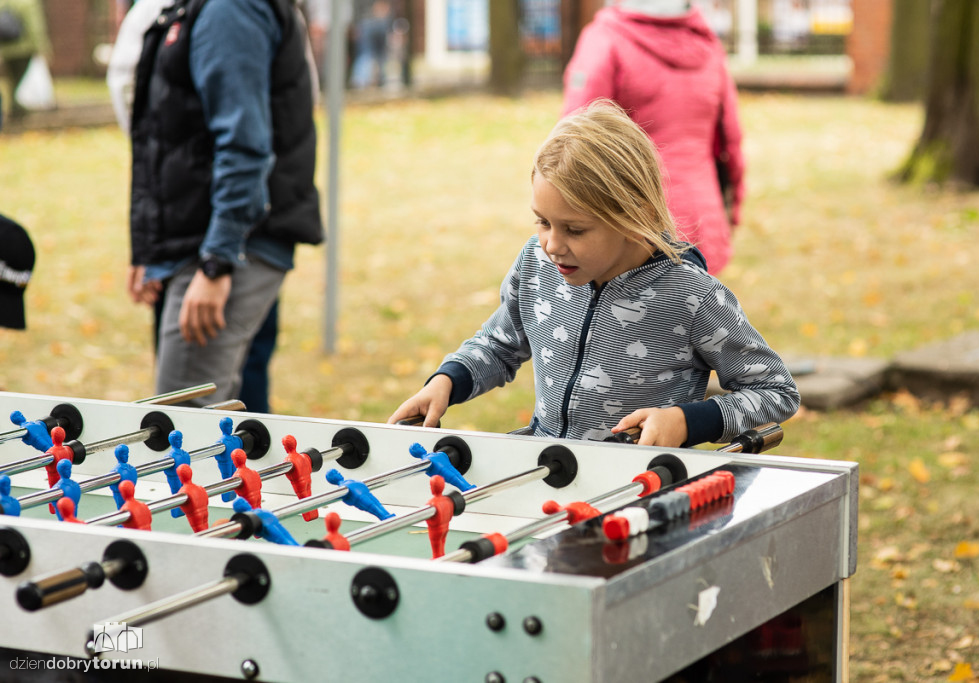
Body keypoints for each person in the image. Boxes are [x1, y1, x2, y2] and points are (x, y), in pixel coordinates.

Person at [388, 101, 798, 448]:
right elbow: (499, 345)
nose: (551, 244)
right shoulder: (537, 264)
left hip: (636, 490)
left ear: (633, 215)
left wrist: (687, 422)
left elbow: (776, 392)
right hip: (545, 470)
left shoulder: (693, 298)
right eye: (542, 222)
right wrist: (446, 382)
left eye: (575, 229)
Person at [126, 0, 323, 408]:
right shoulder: (199, 8)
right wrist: (149, 249)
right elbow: (168, 135)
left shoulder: (230, 9)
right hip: (206, 243)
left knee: (181, 427)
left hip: (228, 246)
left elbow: (244, 144)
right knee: (209, 427)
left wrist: (217, 260)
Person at [560, 0, 744, 276]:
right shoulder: (708, 45)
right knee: (696, 310)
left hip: (632, 220)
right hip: (701, 216)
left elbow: (576, 138)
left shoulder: (605, 39)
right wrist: (734, 206)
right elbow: (732, 139)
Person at [0, 0, 50, 120]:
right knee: (21, 81)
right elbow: (35, 26)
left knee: (13, 81)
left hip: (7, 49)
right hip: (24, 49)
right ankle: (17, 109)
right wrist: (41, 47)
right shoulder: (29, 3)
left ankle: (13, 108)